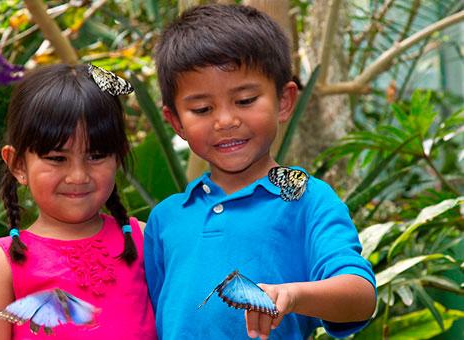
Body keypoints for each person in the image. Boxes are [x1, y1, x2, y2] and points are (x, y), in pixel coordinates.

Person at [144, 4, 376, 340]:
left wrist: (293, 296)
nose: (226, 121)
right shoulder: (166, 219)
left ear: (284, 101)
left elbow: (360, 297)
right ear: (177, 122)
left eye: (245, 100)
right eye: (202, 109)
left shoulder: (306, 200)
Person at [0, 63, 156, 339]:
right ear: (18, 164)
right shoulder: (2, 265)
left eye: (95, 156)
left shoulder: (144, 240)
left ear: (118, 156)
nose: (78, 175)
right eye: (57, 159)